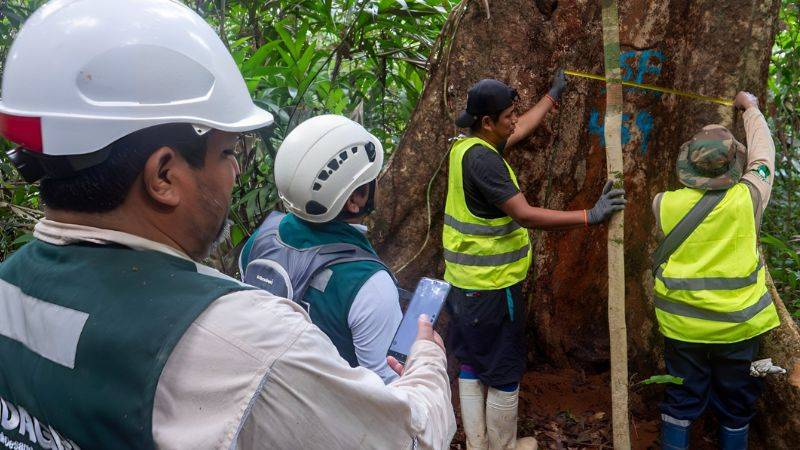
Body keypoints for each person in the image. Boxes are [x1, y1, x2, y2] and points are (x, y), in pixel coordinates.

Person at [0, 1, 455, 449]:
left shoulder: (8, 286)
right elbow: (410, 439)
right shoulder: (251, 348)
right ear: (164, 175)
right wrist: (427, 357)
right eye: (228, 152)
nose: (236, 172)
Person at [444, 76, 626, 450]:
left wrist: (551, 97)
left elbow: (521, 129)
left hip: (462, 284)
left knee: (472, 362)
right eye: (508, 115)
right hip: (493, 289)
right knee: (505, 371)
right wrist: (590, 215)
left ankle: (478, 444)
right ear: (487, 122)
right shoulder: (486, 163)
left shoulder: (467, 148)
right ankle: (505, 446)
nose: (515, 120)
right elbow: (524, 215)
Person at [651, 91, 780, 450]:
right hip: (739, 326)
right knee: (736, 402)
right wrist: (751, 109)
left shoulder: (663, 203)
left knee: (681, 398)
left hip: (682, 325)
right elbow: (764, 154)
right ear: (733, 166)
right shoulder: (750, 196)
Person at [238, 114, 402, 383]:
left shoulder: (259, 241)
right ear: (355, 200)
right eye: (374, 177)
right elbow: (389, 383)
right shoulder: (370, 285)